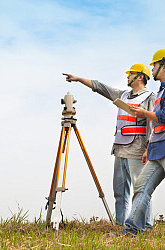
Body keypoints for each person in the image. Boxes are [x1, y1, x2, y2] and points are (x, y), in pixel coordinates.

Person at [63, 63, 156, 226]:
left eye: (131, 73)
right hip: (120, 149)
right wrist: (79, 79)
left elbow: (153, 124)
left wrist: (149, 148)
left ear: (140, 76)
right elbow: (100, 88)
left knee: (140, 190)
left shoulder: (150, 97)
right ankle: (121, 224)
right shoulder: (123, 95)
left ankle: (145, 225)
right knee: (120, 192)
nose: (127, 76)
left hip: (138, 150)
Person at [121, 49, 165, 235]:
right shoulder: (161, 92)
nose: (153, 67)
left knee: (141, 188)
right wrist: (149, 147)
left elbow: (162, 117)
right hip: (157, 150)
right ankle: (132, 230)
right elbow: (156, 126)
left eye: (155, 64)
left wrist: (143, 113)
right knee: (141, 187)